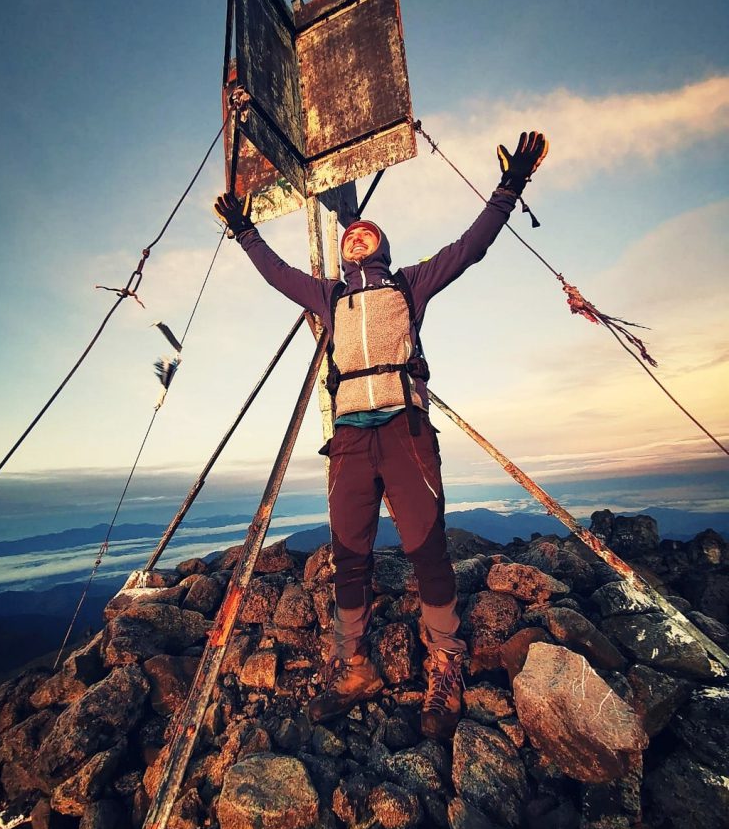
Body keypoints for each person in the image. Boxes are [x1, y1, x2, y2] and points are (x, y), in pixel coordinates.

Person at [215, 131, 548, 739]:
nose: (355, 233)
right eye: (348, 235)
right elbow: (275, 273)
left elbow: (469, 248)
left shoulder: (409, 285)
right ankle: (356, 667)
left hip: (404, 430)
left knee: (426, 545)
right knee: (349, 551)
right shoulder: (328, 295)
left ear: (384, 247)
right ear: (343, 255)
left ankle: (445, 663)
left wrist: (509, 187)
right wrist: (245, 232)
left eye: (366, 232)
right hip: (349, 439)